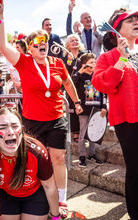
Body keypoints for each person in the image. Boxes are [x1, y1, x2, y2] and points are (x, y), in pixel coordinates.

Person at [0, 1, 83, 218]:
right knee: (33, 158)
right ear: (30, 47)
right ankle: (37, 189)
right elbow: (3, 46)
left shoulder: (57, 63)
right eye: (36, 42)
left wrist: (77, 102)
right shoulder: (23, 63)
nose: (42, 44)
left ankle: (61, 198)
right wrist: (0, 17)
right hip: (32, 120)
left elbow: (68, 83)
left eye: (45, 41)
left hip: (57, 117)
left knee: (58, 157)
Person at [92, 10, 138, 219]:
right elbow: (101, 83)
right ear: (117, 30)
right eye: (131, 20)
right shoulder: (107, 56)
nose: (136, 22)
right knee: (136, 167)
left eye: (137, 20)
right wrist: (121, 59)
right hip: (128, 120)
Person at [0, 108, 61, 220]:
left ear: (22, 131)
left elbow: (49, 186)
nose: (10, 132)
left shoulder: (37, 152)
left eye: (15, 126)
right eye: (2, 127)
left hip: (34, 195)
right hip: (8, 196)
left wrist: (56, 216)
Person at [72, 53, 107, 167]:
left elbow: (103, 93)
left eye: (94, 62)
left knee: (94, 133)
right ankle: (82, 155)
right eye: (91, 62)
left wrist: (104, 107)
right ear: (84, 64)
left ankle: (91, 154)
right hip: (84, 110)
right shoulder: (79, 77)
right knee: (82, 133)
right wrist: (80, 71)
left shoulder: (97, 76)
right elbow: (70, 83)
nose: (94, 64)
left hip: (96, 110)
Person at [62, 34, 86, 143]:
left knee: (84, 108)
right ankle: (76, 132)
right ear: (68, 44)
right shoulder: (66, 57)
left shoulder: (84, 55)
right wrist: (70, 61)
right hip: (71, 87)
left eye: (76, 40)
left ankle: (84, 132)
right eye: (72, 40)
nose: (74, 42)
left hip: (83, 86)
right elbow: (66, 73)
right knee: (73, 108)